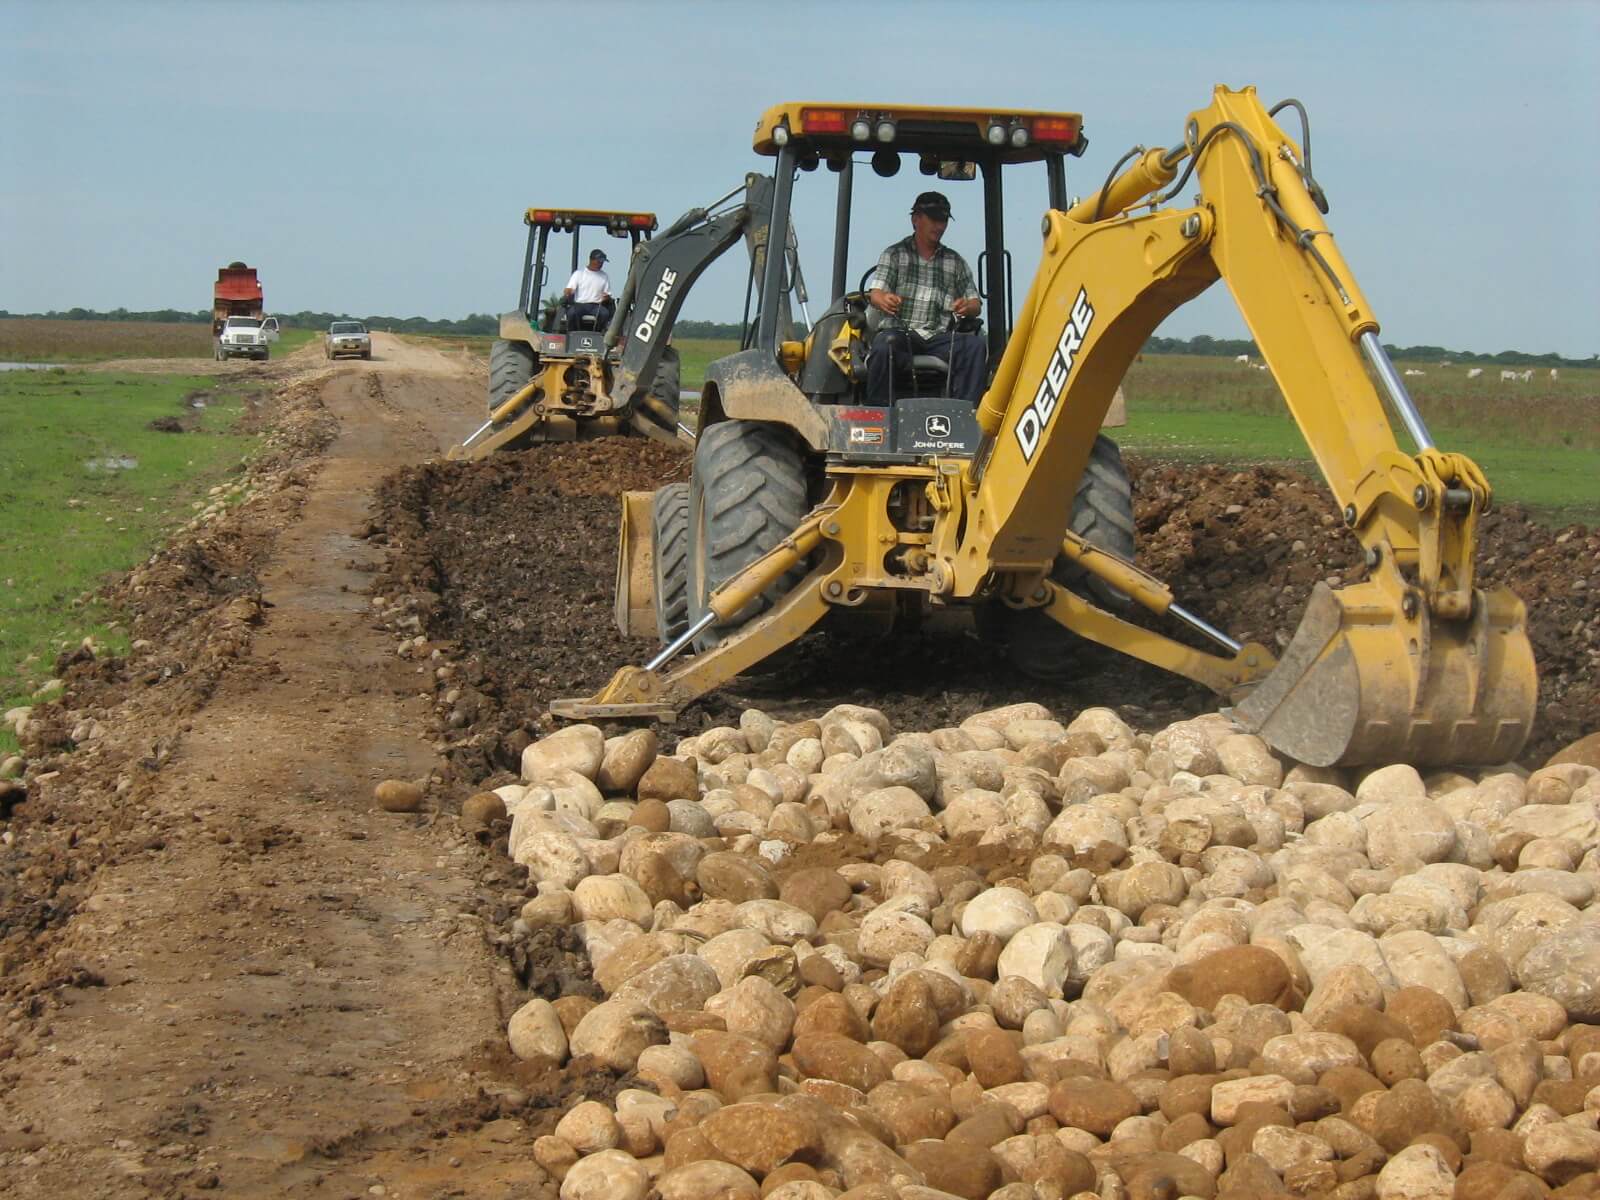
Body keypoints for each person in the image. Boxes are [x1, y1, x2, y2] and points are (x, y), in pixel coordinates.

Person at [866, 191, 987, 404]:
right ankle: (879, 412)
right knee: (884, 346)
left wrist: (966, 306)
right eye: (934, 219)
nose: (939, 226)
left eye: (943, 220)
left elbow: (975, 304)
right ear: (915, 219)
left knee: (975, 347)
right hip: (901, 333)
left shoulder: (955, 261)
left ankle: (967, 415)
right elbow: (875, 294)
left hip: (939, 337)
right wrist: (884, 299)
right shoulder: (894, 255)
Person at [562, 249, 614, 331]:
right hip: (580, 305)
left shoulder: (604, 276)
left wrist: (606, 297)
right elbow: (569, 289)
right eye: (599, 261)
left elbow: (607, 294)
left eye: (602, 262)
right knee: (572, 313)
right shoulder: (579, 274)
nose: (601, 264)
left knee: (604, 314)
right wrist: (568, 292)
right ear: (591, 260)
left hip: (596, 306)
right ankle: (572, 333)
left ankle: (598, 333)